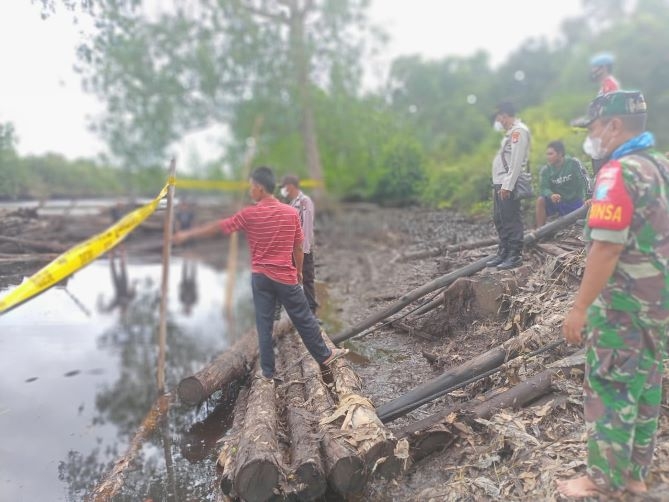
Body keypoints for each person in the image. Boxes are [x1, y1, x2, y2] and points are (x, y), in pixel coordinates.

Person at [559, 90, 669, 498]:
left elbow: (606, 247)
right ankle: (635, 475)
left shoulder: (618, 173)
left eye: (595, 129)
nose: (593, 137)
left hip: (621, 306)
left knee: (609, 386)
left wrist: (580, 307)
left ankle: (600, 479)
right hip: (658, 305)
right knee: (645, 384)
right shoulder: (661, 166)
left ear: (614, 125)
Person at [173, 166, 348, 382]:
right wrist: (299, 272)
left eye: (251, 187)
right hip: (284, 276)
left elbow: (219, 227)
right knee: (303, 318)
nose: (249, 191)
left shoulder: (249, 214)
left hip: (260, 278)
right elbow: (298, 247)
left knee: (264, 325)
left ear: (259, 187)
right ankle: (326, 356)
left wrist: (187, 234)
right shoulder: (290, 213)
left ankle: (268, 372)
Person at [486, 101, 531, 270]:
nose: (500, 122)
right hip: (500, 182)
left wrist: (508, 185)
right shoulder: (510, 133)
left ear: (505, 115)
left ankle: (515, 254)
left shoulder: (518, 132)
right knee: (500, 218)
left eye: (500, 118)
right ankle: (503, 252)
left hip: (506, 183)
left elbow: (517, 161)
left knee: (511, 218)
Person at [280, 174, 319, 314]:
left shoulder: (304, 202)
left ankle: (312, 313)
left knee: (307, 279)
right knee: (292, 279)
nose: (283, 190)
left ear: (290, 186)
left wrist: (304, 249)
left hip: (303, 249)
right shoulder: (291, 204)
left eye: (283, 187)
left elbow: (307, 227)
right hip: (292, 249)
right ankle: (297, 311)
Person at [535, 141, 587, 227]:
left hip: (576, 202)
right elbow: (544, 188)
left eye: (551, 154)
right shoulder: (546, 170)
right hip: (559, 203)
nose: (548, 157)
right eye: (547, 154)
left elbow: (584, 180)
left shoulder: (573, 163)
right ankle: (539, 230)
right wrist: (551, 195)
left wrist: (587, 197)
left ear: (560, 154)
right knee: (540, 200)